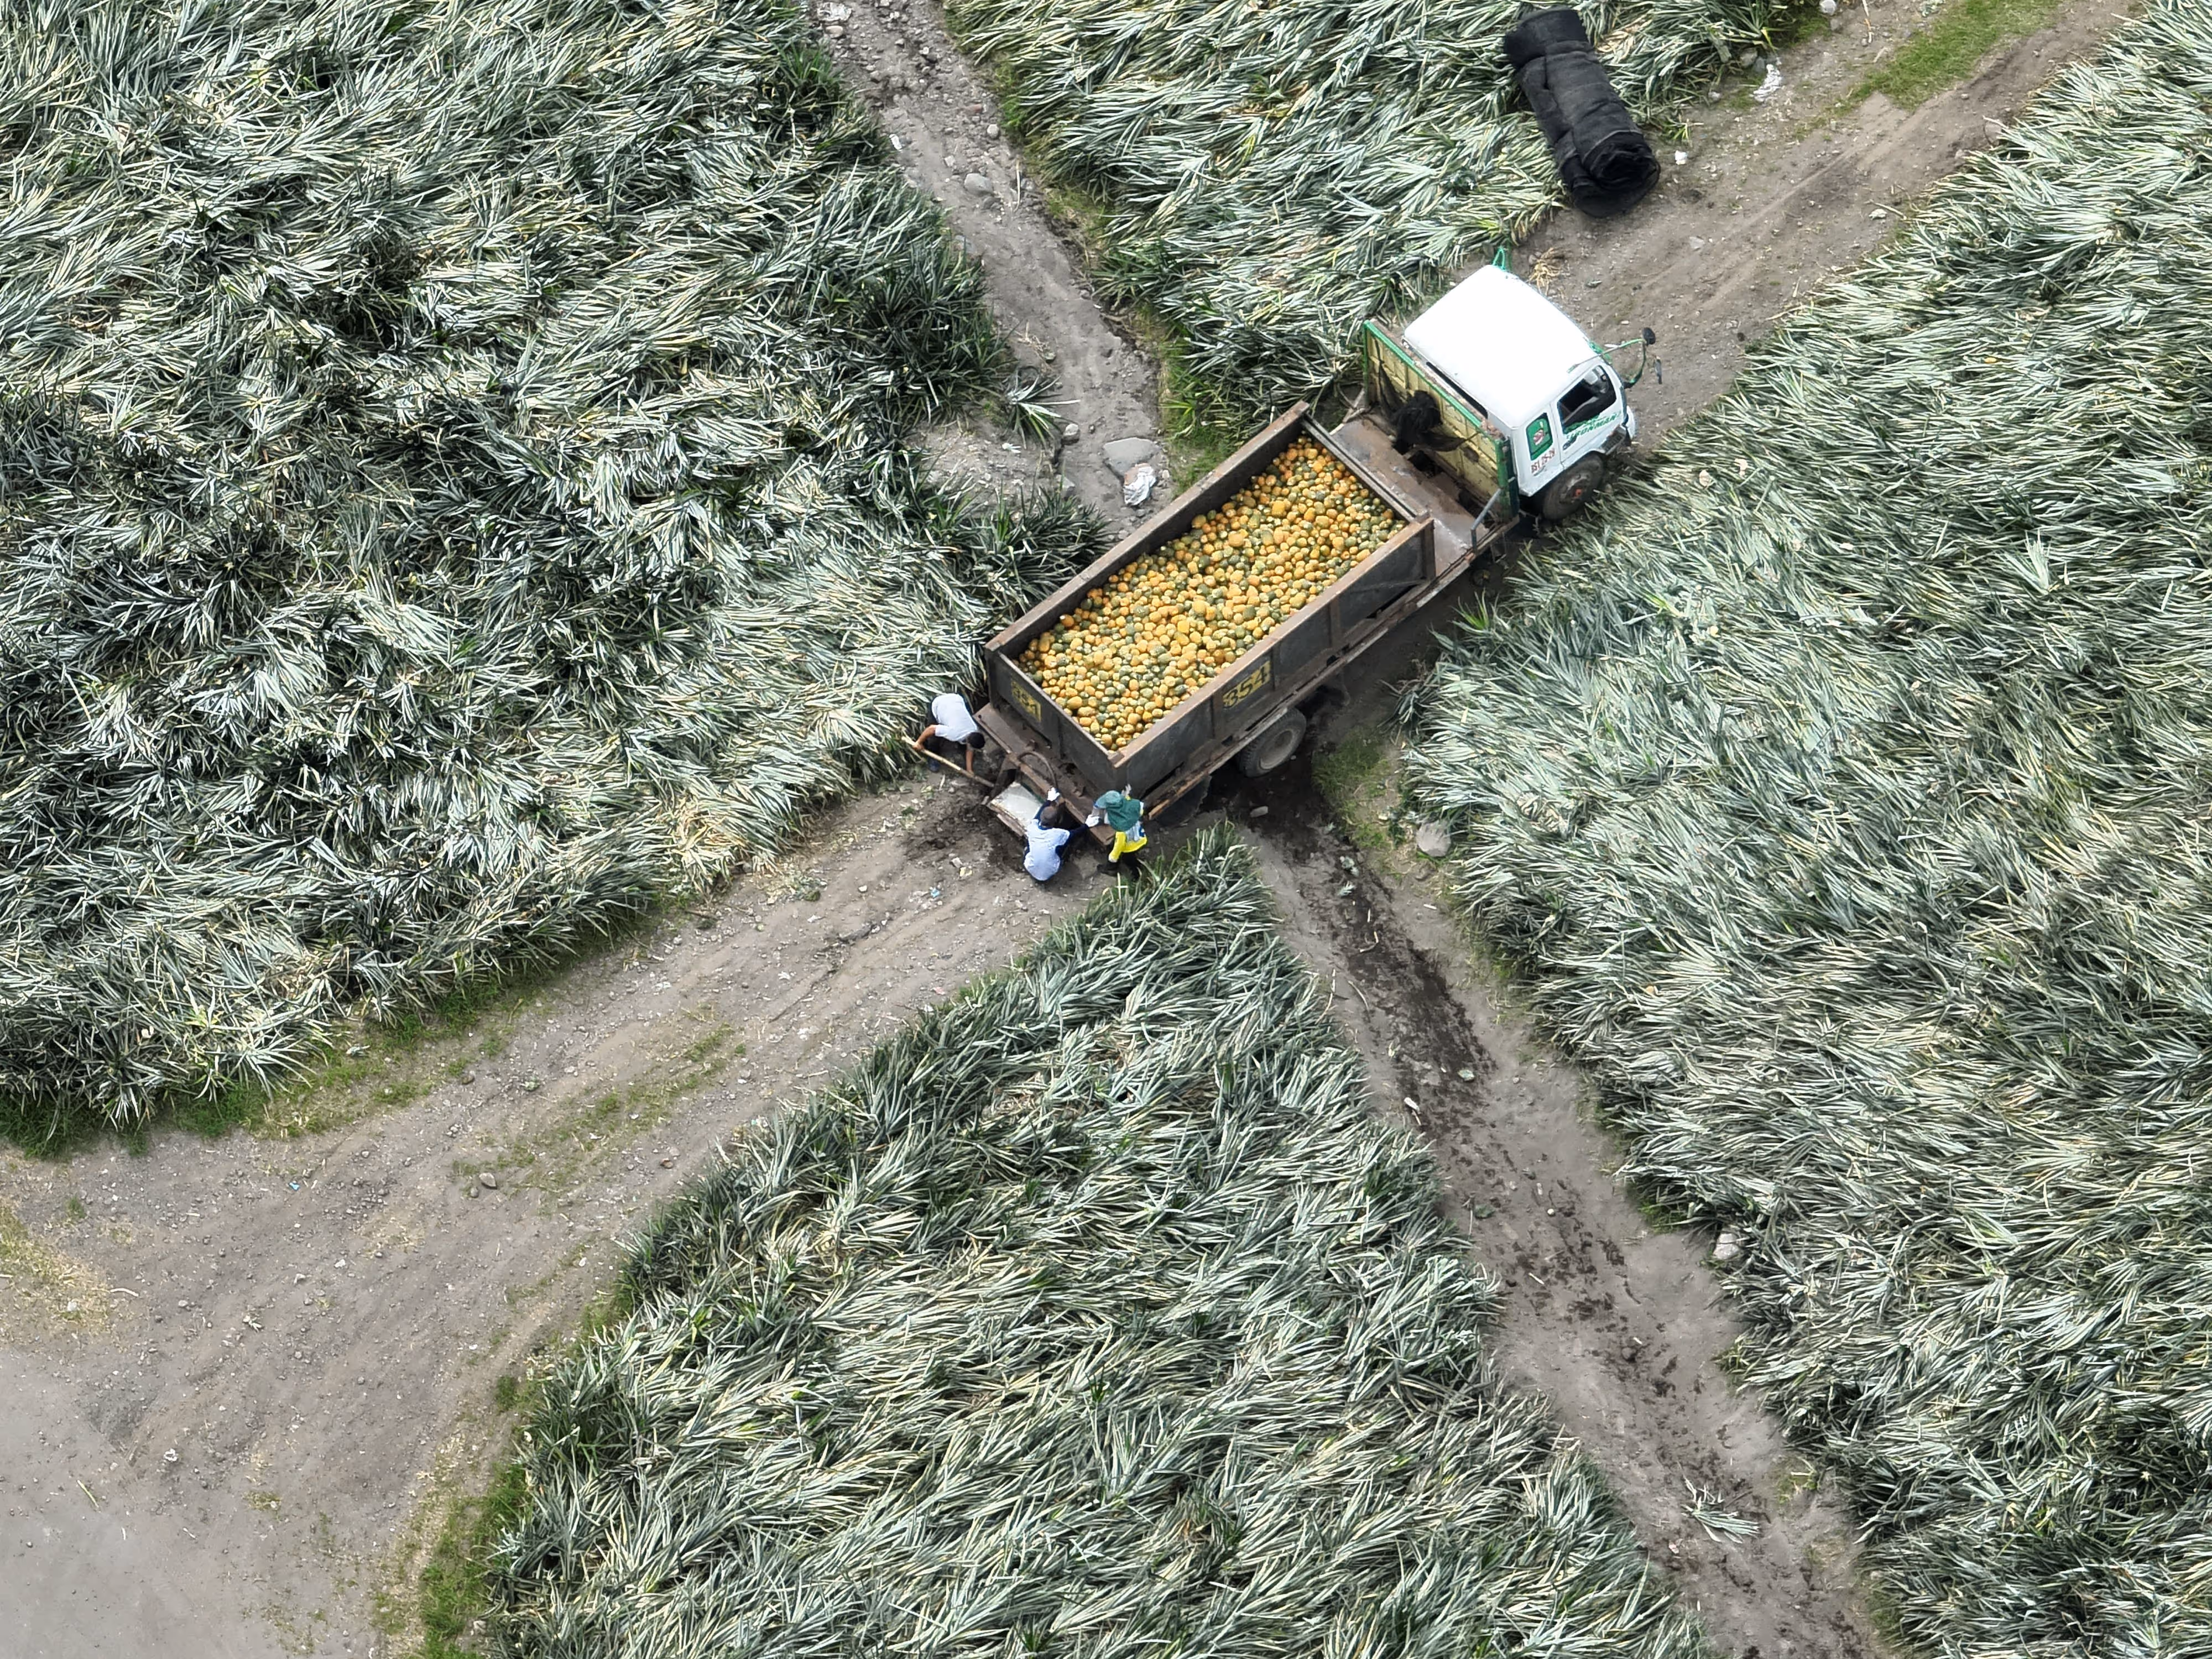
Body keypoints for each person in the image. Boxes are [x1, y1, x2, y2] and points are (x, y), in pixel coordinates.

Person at [916, 691, 988, 776]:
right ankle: (933, 758)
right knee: (934, 740)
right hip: (939, 704)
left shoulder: (974, 728)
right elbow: (931, 729)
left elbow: (970, 749)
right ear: (968, 741)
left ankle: (958, 744)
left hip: (955, 699)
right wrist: (919, 742)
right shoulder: (954, 734)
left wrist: (969, 770)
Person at [1024, 789, 1075, 883]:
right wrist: (1087, 826)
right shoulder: (1057, 834)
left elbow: (1036, 817)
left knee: (1030, 844)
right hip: (1049, 873)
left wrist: (1049, 800)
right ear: (1055, 821)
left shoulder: (1032, 828)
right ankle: (1063, 860)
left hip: (1030, 868)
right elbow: (1073, 833)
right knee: (1064, 846)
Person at [1086, 788, 1146, 864]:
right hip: (1142, 839)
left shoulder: (1121, 831)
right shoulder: (1132, 813)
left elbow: (1118, 846)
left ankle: (1112, 869)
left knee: (1127, 859)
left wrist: (1113, 857)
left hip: (1131, 847)